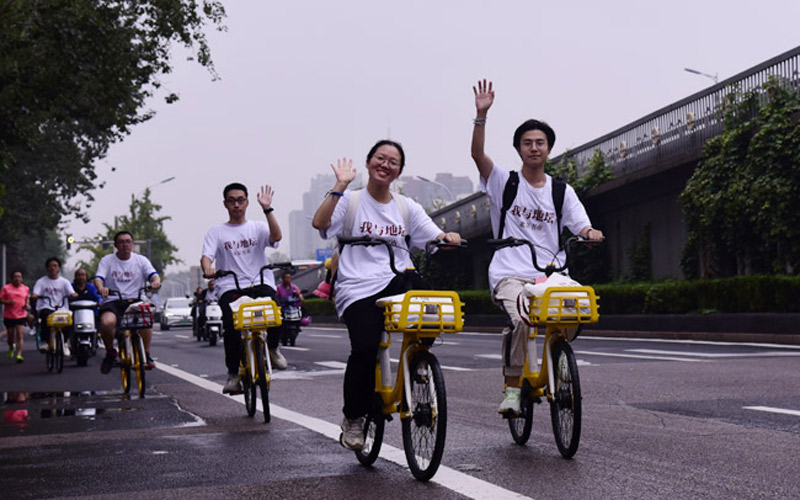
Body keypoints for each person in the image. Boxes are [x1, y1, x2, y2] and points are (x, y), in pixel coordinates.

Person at [312, 139, 461, 451]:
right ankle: (354, 418)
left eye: (393, 162)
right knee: (365, 349)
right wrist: (339, 185)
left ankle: (419, 359)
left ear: (399, 171)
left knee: (420, 288)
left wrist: (447, 237)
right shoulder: (349, 201)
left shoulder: (406, 207)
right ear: (369, 163)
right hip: (356, 288)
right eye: (380, 158)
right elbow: (320, 223)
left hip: (396, 281)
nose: (385, 165)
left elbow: (434, 235)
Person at [471, 79, 604, 415]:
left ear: (548, 149)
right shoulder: (505, 182)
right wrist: (481, 115)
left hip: (551, 274)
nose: (534, 148)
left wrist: (590, 233)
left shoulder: (561, 191)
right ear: (519, 149)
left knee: (577, 311)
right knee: (521, 322)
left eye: (540, 143)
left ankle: (557, 360)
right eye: (527, 143)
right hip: (510, 272)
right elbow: (477, 154)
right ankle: (513, 390)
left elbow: (580, 224)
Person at [201, 183, 287, 395]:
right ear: (225, 204)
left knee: (276, 312)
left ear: (247, 202)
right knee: (231, 325)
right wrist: (208, 268)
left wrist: (268, 209)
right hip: (231, 286)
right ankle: (232, 374)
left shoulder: (258, 227)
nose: (236, 204)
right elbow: (206, 257)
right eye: (232, 200)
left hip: (260, 282)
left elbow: (276, 238)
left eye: (241, 200)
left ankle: (273, 349)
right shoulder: (217, 232)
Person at [93, 231, 162, 374]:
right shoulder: (107, 260)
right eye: (122, 242)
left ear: (132, 243)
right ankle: (110, 351)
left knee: (146, 317)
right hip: (113, 300)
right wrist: (101, 288)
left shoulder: (141, 260)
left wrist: (155, 282)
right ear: (116, 245)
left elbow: (153, 275)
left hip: (136, 299)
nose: (125, 244)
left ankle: (147, 354)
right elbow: (98, 278)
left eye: (128, 241)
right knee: (106, 323)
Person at [32, 258, 77, 355]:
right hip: (47, 307)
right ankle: (45, 341)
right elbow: (36, 293)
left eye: (55, 266)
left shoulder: (64, 282)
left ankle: (65, 342)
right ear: (47, 268)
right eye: (50, 266)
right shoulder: (41, 282)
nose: (53, 268)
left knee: (70, 320)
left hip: (62, 308)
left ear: (59, 268)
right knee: (45, 317)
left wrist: (73, 295)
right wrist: (35, 296)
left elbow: (72, 292)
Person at [1, 271, 30, 363]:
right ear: (12, 278)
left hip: (21, 315)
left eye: (19, 276)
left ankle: (19, 354)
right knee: (10, 336)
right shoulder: (6, 288)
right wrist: (8, 302)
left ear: (22, 278)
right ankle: (11, 346)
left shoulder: (25, 288)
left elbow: (27, 300)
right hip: (9, 315)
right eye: (15, 276)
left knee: (20, 334)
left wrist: (27, 305)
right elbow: (1, 299)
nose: (17, 278)